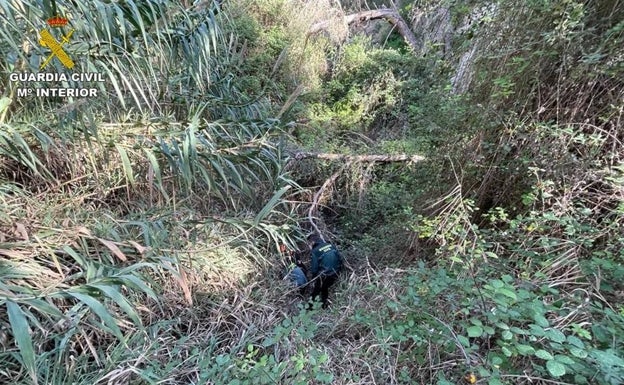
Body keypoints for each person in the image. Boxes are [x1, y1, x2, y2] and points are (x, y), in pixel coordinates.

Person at [308, 233, 343, 308]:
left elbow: (314, 268)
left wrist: (314, 278)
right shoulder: (331, 245)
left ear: (312, 242)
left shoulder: (315, 251)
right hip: (335, 272)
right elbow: (339, 258)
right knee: (325, 288)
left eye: (309, 243)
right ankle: (324, 304)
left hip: (324, 274)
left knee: (316, 290)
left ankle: (309, 307)